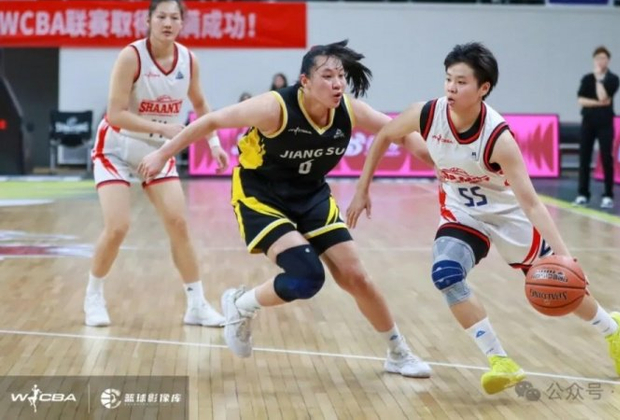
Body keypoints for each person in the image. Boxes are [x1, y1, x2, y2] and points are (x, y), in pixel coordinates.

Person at [346, 43, 620, 394]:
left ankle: (611, 328)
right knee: (446, 274)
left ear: (483, 88)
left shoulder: (499, 138)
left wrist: (565, 256)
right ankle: (500, 361)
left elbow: (532, 203)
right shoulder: (427, 113)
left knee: (561, 288)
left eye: (461, 82)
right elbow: (385, 135)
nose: (451, 88)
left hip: (509, 215)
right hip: (462, 212)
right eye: (448, 79)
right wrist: (362, 189)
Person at [138, 40, 434, 378]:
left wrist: (443, 166)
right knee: (307, 277)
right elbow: (213, 121)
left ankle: (398, 353)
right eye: (327, 76)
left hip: (311, 194)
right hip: (262, 195)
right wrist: (162, 154)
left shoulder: (351, 111)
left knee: (356, 277)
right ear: (305, 81)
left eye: (340, 76)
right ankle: (241, 304)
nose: (337, 83)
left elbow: (402, 134)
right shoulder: (274, 108)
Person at [86, 0, 228, 328]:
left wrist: (213, 142)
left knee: (178, 224)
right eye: (161, 17)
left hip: (157, 151)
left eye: (174, 18)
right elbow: (115, 114)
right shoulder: (131, 56)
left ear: (182, 23)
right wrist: (164, 129)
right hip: (116, 148)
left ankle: (196, 304)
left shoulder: (189, 60)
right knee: (118, 227)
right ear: (148, 20)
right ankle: (93, 295)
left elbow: (201, 104)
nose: (167, 23)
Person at [573, 46, 620, 209]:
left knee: (606, 157)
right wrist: (599, 103)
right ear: (594, 60)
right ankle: (582, 194)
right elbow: (581, 100)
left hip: (605, 123)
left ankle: (608, 195)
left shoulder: (613, 79)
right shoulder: (587, 78)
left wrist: (599, 80)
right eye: (598, 58)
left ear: (608, 61)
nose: (601, 61)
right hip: (588, 122)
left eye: (604, 58)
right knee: (584, 158)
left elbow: (604, 96)